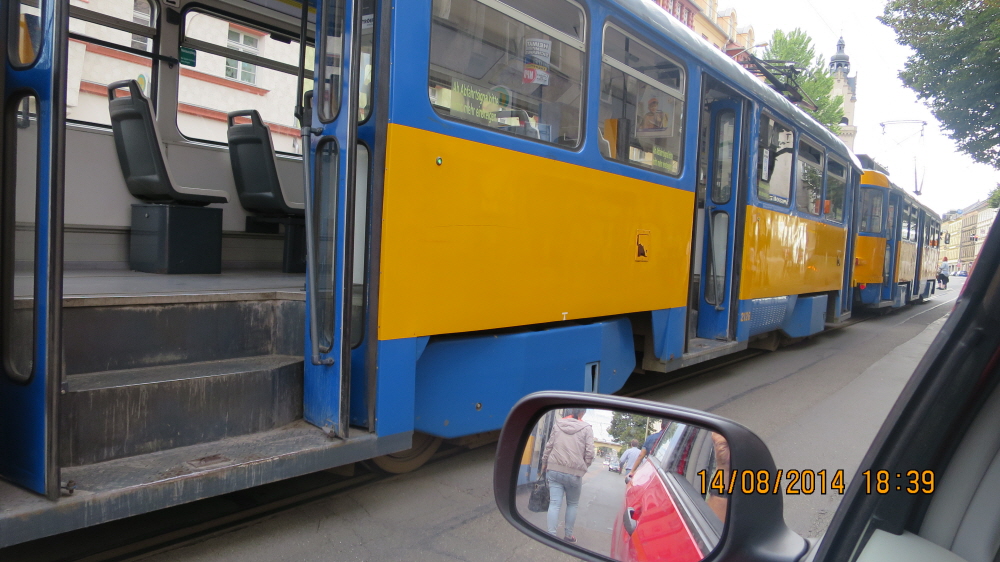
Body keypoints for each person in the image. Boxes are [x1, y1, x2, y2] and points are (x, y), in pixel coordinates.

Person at [540, 408, 595, 543]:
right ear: (583, 413)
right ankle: (568, 536)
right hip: (574, 474)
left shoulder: (558, 424)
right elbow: (590, 453)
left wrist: (544, 463)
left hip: (554, 469)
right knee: (572, 504)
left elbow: (549, 446)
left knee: (554, 504)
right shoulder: (587, 428)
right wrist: (583, 467)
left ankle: (551, 535)